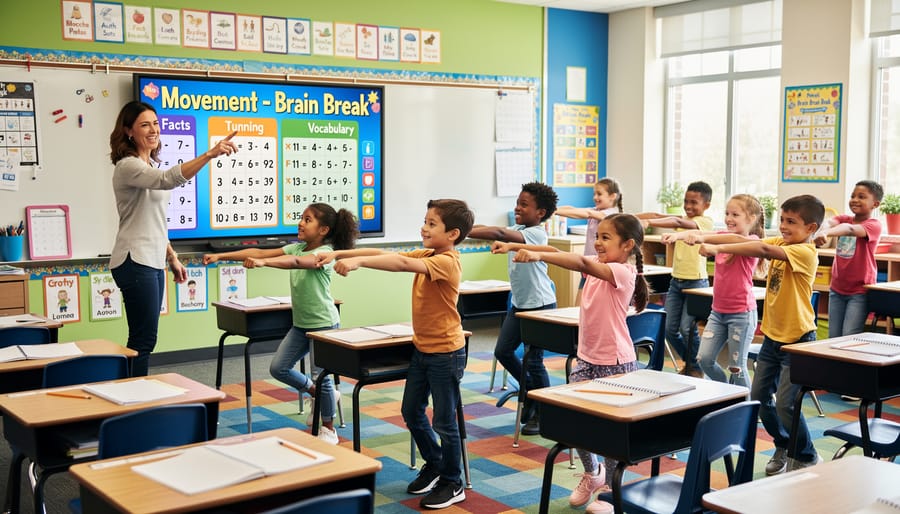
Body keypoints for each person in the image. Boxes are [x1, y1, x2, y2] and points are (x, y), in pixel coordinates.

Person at [317, 199, 474, 510]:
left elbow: (402, 265)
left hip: (446, 353)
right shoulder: (430, 253)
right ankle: (436, 462)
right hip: (422, 349)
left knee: (445, 421)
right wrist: (338, 253)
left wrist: (358, 264)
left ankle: (452, 481)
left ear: (453, 234)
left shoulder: (447, 262)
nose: (424, 228)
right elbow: (384, 254)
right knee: (411, 412)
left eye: (432, 224)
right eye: (425, 221)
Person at [493, 213, 650, 514]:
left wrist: (534, 253)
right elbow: (560, 254)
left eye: (606, 238)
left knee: (611, 431)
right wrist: (518, 249)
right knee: (577, 423)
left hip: (614, 361)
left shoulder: (623, 271)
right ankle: (593, 475)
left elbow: (579, 263)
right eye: (597, 236)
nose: (598, 242)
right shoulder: (599, 265)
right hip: (587, 358)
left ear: (628, 244)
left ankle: (610, 492)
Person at [202, 203, 358, 445]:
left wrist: (265, 264)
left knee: (322, 376)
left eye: (308, 220)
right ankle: (317, 394)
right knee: (279, 368)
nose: (301, 223)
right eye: (302, 218)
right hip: (300, 325)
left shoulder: (325, 253)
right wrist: (221, 256)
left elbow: (296, 262)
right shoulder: (297, 246)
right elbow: (261, 253)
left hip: (323, 325)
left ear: (324, 229)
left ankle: (328, 427)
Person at [697, 194, 824, 475]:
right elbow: (741, 242)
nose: (784, 226)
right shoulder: (781, 241)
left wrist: (709, 242)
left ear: (811, 228)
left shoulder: (804, 252)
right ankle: (782, 443)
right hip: (772, 337)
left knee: (787, 404)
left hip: (798, 339)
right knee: (760, 397)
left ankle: (806, 455)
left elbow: (760, 251)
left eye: (791, 222)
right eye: (782, 220)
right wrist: (701, 238)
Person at [109, 100, 237, 377]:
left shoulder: (148, 164)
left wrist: (172, 256)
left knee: (146, 339)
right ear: (129, 131)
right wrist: (210, 154)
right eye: (145, 124)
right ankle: (132, 399)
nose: (153, 129)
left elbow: (155, 221)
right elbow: (168, 179)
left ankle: (132, 393)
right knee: (143, 340)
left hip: (152, 259)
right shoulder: (128, 166)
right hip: (134, 259)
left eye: (156, 123)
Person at [467, 182, 558, 435]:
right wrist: (466, 229)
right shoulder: (519, 228)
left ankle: (542, 412)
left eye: (524, 204)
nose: (517, 207)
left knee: (535, 361)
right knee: (503, 351)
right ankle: (530, 392)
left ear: (540, 212)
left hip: (540, 305)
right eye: (517, 202)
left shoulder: (537, 234)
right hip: (519, 304)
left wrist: (463, 229)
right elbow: (499, 231)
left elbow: (500, 233)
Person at [661, 194, 766, 387]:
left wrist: (710, 243)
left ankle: (747, 409)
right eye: (727, 213)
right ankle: (726, 390)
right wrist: (678, 235)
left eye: (735, 214)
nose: (729, 218)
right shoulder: (720, 237)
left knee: (737, 366)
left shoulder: (751, 241)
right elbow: (702, 235)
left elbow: (733, 239)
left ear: (751, 218)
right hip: (718, 312)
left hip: (741, 314)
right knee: (704, 359)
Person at [636, 181, 713, 377]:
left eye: (694, 202)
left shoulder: (704, 223)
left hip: (695, 283)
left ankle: (696, 367)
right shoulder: (682, 219)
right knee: (669, 328)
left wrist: (651, 224)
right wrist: (635, 218)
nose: (688, 206)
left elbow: (677, 223)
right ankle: (691, 363)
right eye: (686, 201)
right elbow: (660, 216)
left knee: (687, 329)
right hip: (676, 281)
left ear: (707, 205)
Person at [814, 180, 883, 338]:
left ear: (875, 204)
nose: (855, 199)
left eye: (862, 197)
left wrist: (827, 233)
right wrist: (822, 230)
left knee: (849, 336)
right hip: (837, 288)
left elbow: (850, 229)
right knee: (833, 337)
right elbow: (828, 222)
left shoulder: (874, 224)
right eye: (853, 195)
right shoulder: (844, 218)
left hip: (859, 291)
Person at [556, 178, 625, 304]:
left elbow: (587, 213)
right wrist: (553, 208)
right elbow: (572, 209)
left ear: (612, 196)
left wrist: (553, 211)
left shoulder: (611, 214)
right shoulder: (596, 211)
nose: (595, 197)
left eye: (599, 194)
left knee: (594, 305)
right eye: (594, 193)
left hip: (601, 269)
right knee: (578, 306)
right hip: (588, 267)